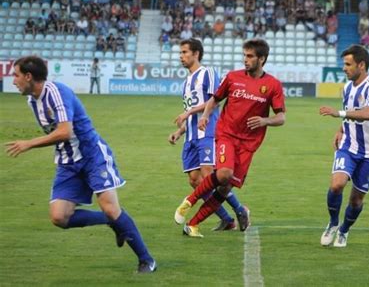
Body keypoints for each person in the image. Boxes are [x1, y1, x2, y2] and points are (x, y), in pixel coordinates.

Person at [5, 56, 157, 273]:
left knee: (111, 207)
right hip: (67, 163)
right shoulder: (32, 101)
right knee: (59, 217)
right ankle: (112, 222)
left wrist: (29, 144)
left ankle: (146, 259)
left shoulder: (56, 92)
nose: (13, 81)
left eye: (16, 75)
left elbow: (65, 131)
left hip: (92, 156)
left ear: (29, 76)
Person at [174, 39, 286, 237]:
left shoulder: (272, 85)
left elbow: (281, 117)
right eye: (244, 55)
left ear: (262, 59)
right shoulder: (232, 77)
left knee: (224, 187)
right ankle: (190, 201)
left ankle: (198, 223)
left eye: (250, 56)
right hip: (225, 134)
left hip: (248, 143)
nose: (245, 60)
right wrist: (202, 118)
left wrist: (265, 121)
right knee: (219, 175)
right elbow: (214, 100)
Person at [168, 38, 247, 231]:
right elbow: (190, 110)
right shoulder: (187, 82)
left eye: (185, 52)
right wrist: (180, 131)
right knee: (195, 181)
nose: (181, 56)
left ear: (196, 54)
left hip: (208, 133)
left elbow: (215, 101)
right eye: (180, 53)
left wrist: (189, 112)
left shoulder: (208, 73)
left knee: (209, 176)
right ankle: (227, 220)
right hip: (191, 137)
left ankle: (240, 209)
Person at [319, 45, 369, 248]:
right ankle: (332, 223)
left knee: (356, 200)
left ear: (361, 65)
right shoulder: (348, 87)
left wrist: (337, 113)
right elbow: (351, 112)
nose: (344, 68)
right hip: (349, 146)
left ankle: (344, 231)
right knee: (337, 184)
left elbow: (367, 113)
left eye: (348, 64)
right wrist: (340, 129)